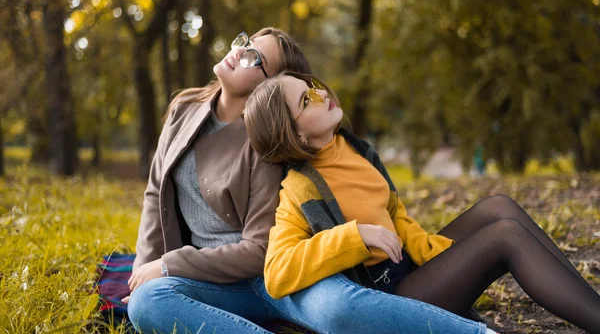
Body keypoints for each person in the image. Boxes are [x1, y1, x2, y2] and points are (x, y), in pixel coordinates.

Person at [125, 29, 493, 334]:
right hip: (210, 282)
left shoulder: (268, 146)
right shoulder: (184, 110)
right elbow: (156, 191)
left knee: (338, 309)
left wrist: (172, 264)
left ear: (271, 92)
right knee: (147, 303)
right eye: (245, 43)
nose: (239, 53)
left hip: (272, 276)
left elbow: (260, 251)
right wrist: (146, 271)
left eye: (256, 58)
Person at [243, 71, 600, 334]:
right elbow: (276, 274)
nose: (321, 95)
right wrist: (355, 237)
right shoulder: (299, 190)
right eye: (306, 101)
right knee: (505, 236)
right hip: (393, 294)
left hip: (413, 266)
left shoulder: (353, 149)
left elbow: (393, 209)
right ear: (295, 134)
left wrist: (426, 247)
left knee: (499, 206)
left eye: (312, 88)